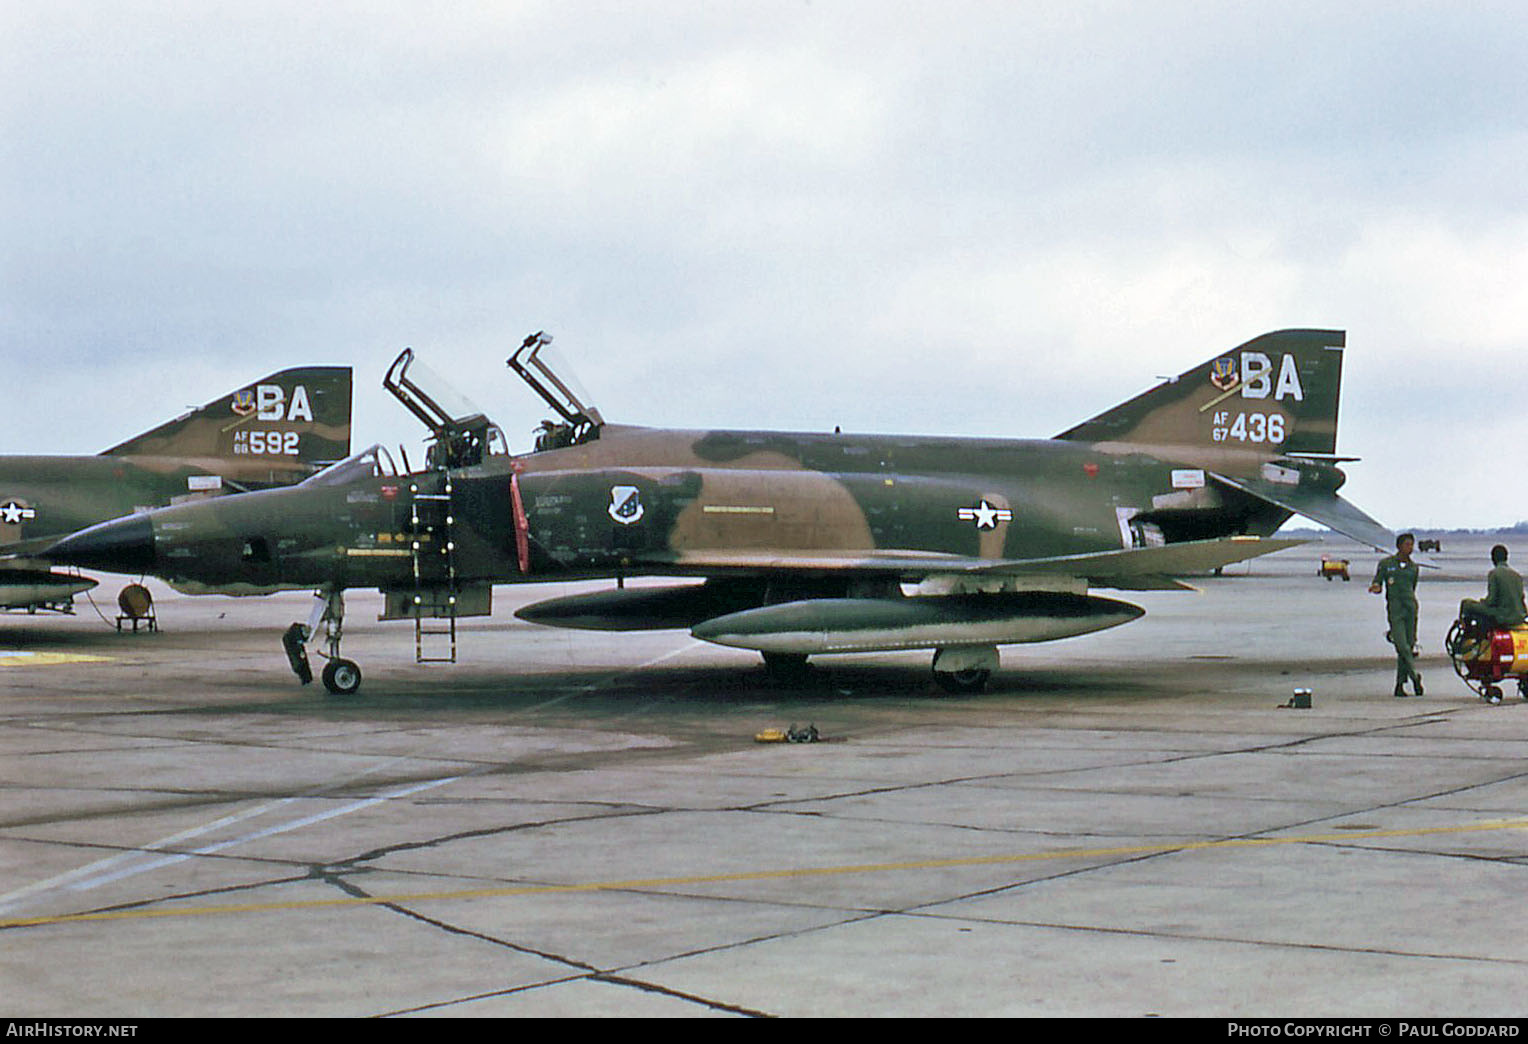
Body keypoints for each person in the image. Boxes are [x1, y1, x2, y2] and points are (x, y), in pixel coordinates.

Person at [1370, 532, 1422, 698]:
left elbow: (1412, 587)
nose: (1410, 548)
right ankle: (1414, 677)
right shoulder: (1386, 564)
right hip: (1395, 609)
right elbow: (1377, 581)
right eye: (1407, 544)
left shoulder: (1414, 568)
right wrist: (1376, 587)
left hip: (1410, 608)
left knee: (1409, 645)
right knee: (1402, 645)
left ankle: (1399, 685)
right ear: (1399, 546)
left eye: (1411, 545)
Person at [1459, 544, 1526, 631]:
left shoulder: (1494, 573)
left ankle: (1468, 632)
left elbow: (1491, 601)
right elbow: (1521, 598)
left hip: (1503, 616)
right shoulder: (1517, 575)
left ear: (1493, 558)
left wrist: (1482, 602)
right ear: (1506, 557)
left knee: (1466, 604)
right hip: (1519, 617)